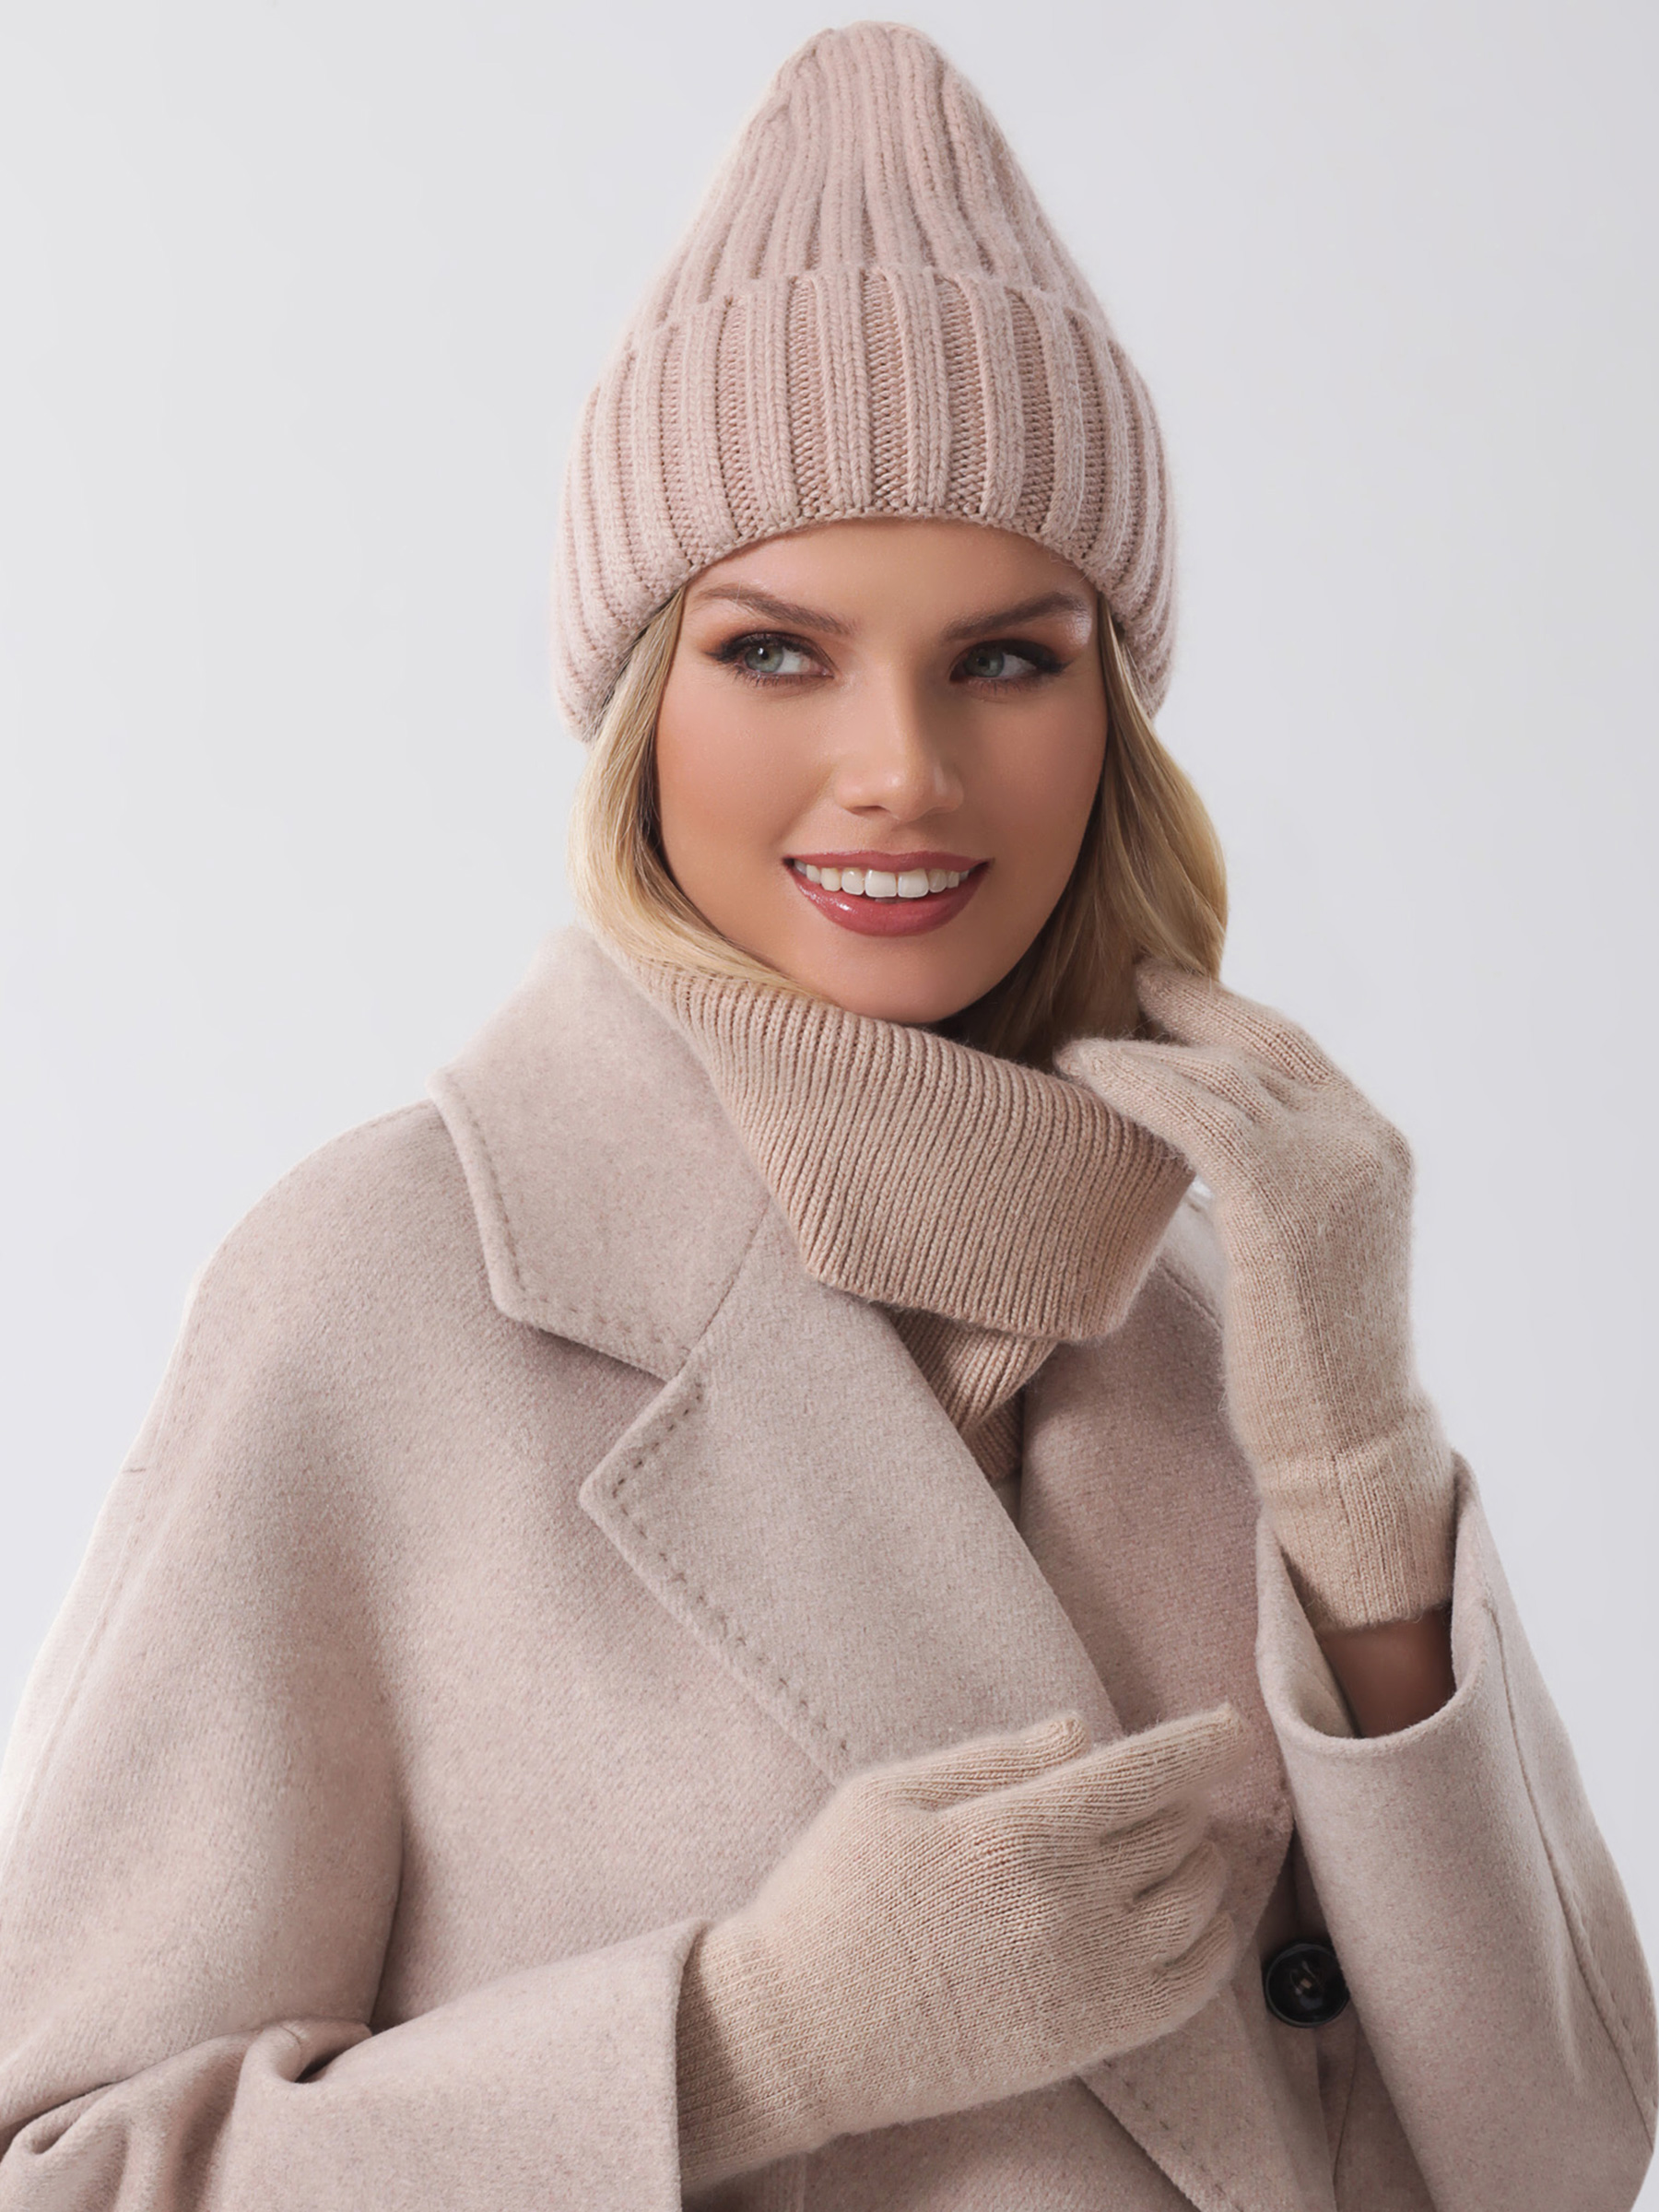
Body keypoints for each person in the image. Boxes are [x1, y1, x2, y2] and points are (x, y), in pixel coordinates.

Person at [0, 21, 1652, 2212]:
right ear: (640, 703)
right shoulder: (384, 1294)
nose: (901, 771)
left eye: (1008, 658)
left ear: (1111, 715)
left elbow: (1555, 2163)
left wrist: (1361, 1471)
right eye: (776, 653)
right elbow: (67, 2172)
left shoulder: (1209, 1318)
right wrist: (748, 2042)